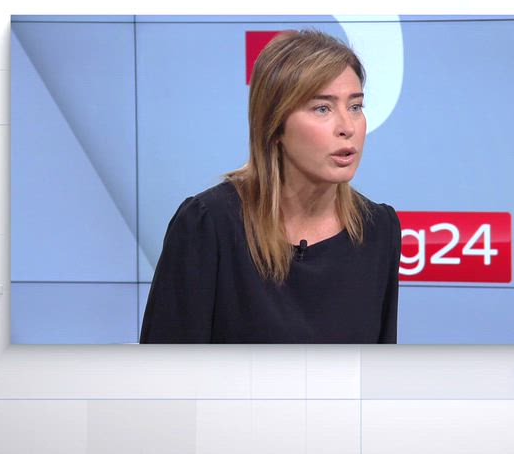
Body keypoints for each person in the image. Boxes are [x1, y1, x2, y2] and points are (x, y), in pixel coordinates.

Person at [139, 29, 400, 344]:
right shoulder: (209, 225)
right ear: (275, 125)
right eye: (323, 108)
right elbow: (165, 370)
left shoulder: (378, 229)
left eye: (355, 106)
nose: (347, 127)